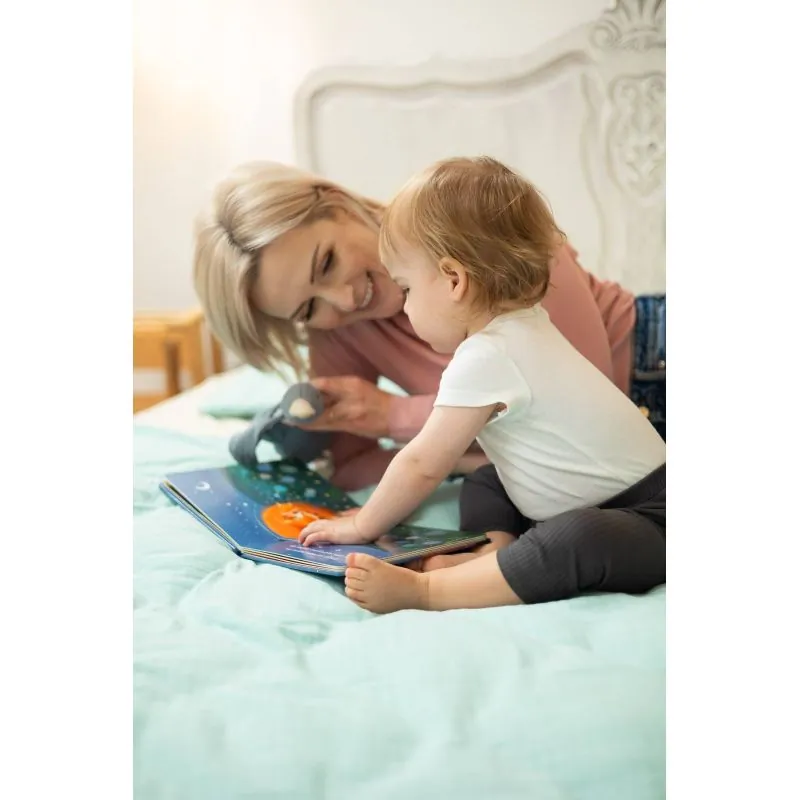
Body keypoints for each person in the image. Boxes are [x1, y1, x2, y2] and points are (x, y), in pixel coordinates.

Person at [296, 156, 666, 614]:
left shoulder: (487, 356)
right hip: (595, 503)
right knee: (487, 479)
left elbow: (422, 464)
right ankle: (494, 547)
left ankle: (430, 591)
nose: (404, 306)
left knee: (577, 539)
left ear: (454, 280)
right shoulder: (525, 324)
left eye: (407, 289)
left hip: (649, 516)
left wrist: (362, 525)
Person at [193, 160, 638, 491]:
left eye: (327, 263)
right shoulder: (337, 331)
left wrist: (395, 416)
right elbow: (351, 469)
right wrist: (462, 460)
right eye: (307, 309)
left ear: (338, 204)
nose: (344, 300)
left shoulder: (469, 220)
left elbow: (578, 404)